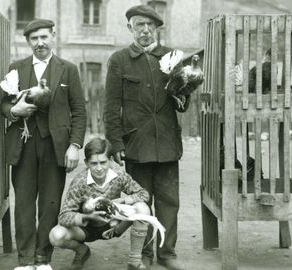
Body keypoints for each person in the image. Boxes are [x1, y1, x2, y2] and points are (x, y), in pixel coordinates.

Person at [103, 5, 188, 270]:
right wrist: (116, 143)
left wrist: (183, 96)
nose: (145, 30)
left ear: (157, 28)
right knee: (141, 201)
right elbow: (110, 106)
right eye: (139, 25)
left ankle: (167, 253)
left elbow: (183, 104)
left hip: (167, 143)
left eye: (150, 25)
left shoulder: (172, 59)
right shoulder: (119, 60)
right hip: (135, 144)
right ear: (130, 28)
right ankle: (144, 254)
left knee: (169, 201)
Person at [0, 19, 87, 270]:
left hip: (55, 145)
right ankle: (26, 260)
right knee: (24, 203)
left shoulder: (68, 69)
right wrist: (14, 110)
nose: (40, 42)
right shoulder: (16, 68)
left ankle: (42, 258)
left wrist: (75, 145)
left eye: (44, 37)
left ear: (53, 37)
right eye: (34, 38)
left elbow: (79, 111)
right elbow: (3, 103)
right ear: (28, 42)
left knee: (50, 203)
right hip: (23, 144)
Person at [49, 137, 151, 270]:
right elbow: (63, 216)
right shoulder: (80, 182)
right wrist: (87, 217)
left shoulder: (119, 175)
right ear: (86, 163)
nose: (99, 168)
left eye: (103, 162)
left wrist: (123, 200)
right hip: (86, 229)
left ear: (110, 160)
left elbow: (144, 194)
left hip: (114, 224)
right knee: (56, 235)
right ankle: (82, 251)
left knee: (142, 208)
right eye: (94, 163)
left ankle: (135, 261)